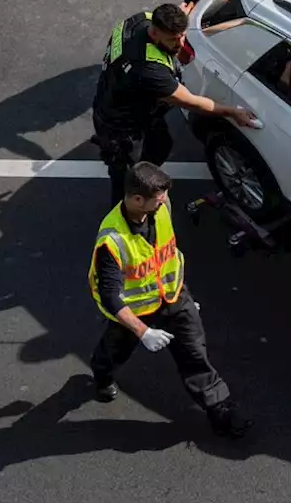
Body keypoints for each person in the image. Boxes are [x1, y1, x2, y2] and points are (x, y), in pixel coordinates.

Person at [88, 162, 251, 438]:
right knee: (114, 352)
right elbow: (111, 297)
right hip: (135, 312)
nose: (163, 202)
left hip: (175, 298)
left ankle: (221, 411)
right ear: (138, 199)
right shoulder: (112, 241)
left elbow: (168, 257)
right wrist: (143, 332)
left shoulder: (161, 208)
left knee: (194, 353)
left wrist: (183, 294)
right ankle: (102, 374)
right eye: (158, 198)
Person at [92, 2, 260, 205]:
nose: (180, 43)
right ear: (154, 34)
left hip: (127, 103)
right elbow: (191, 102)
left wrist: (183, 17)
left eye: (181, 35)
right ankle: (126, 218)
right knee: (128, 178)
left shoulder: (141, 19)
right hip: (121, 127)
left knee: (161, 145)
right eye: (173, 39)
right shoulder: (148, 70)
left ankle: (147, 182)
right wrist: (232, 112)